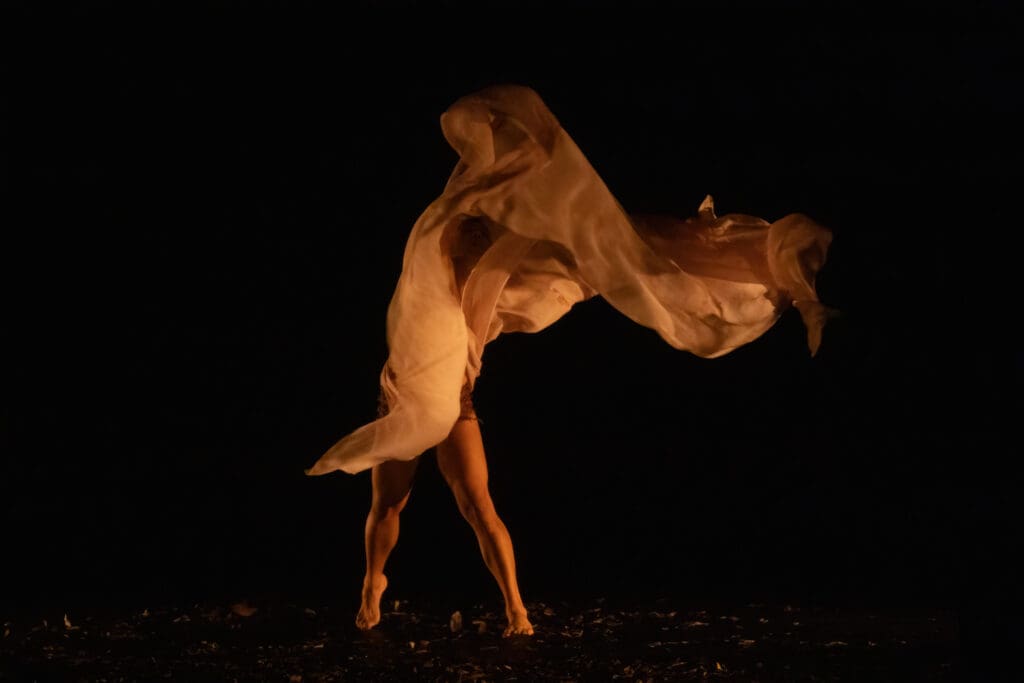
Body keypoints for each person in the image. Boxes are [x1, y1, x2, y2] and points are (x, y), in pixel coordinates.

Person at [305, 84, 833, 638]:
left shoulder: (497, 271)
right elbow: (441, 252)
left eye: (479, 242)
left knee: (477, 504)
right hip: (405, 392)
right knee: (389, 507)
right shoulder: (431, 269)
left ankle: (516, 610)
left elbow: (597, 239)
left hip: (455, 396)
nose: (473, 249)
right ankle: (373, 584)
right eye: (470, 240)